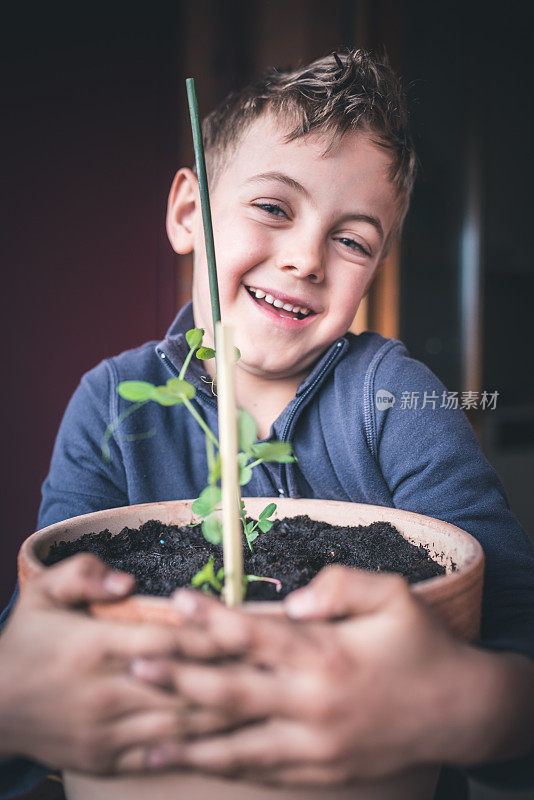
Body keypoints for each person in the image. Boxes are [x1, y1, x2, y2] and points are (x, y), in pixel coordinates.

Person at [1, 48, 533, 797]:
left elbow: (515, 623)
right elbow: (37, 637)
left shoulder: (398, 401)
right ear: (190, 214)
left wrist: (452, 706)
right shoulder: (113, 403)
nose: (306, 259)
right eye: (273, 208)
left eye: (352, 240)